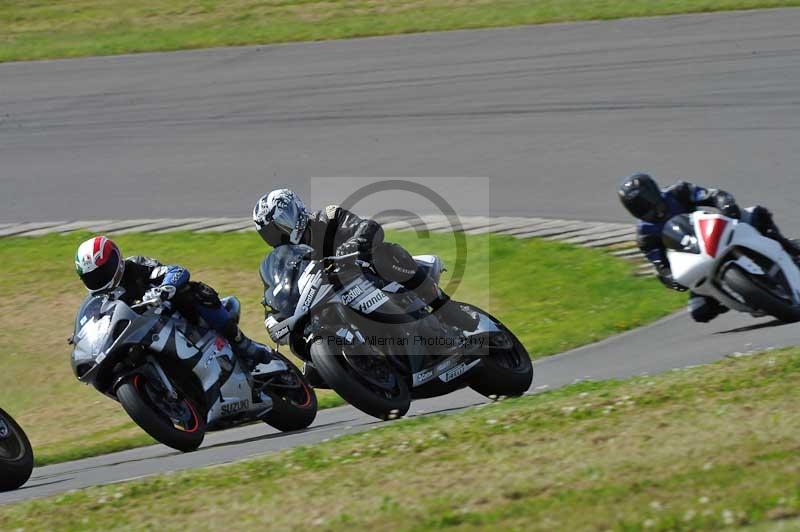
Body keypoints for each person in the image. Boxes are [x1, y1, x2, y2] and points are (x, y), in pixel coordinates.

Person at [252, 188, 479, 332]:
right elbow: (280, 288)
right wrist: (275, 314)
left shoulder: (327, 218)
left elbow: (368, 227)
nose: (279, 235)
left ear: (295, 212)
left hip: (366, 275)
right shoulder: (285, 259)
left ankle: (445, 308)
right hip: (329, 297)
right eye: (270, 232)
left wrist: (355, 244)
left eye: (280, 225)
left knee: (385, 254)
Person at [618, 172, 800, 322]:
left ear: (653, 191)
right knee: (700, 312)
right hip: (696, 260)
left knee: (755, 215)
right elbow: (660, 264)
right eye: (637, 207)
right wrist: (669, 278)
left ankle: (790, 248)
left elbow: (714, 195)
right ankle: (740, 295)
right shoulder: (645, 235)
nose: (645, 208)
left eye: (645, 201)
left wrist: (726, 206)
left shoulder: (678, 192)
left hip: (715, 232)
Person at [74, 236, 271, 369]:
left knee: (194, 291)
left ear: (116, 260)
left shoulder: (135, 266)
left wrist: (164, 289)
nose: (100, 279)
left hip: (170, 313)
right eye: (93, 277)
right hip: (141, 334)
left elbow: (176, 271)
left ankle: (242, 343)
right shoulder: (97, 300)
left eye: (103, 271)